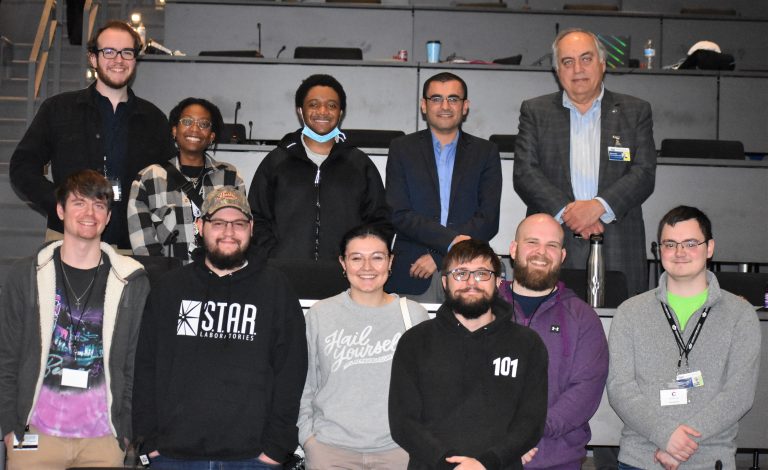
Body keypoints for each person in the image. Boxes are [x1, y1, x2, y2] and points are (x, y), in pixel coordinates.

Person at [132, 186, 308, 469]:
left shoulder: (276, 289)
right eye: (218, 223)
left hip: (253, 458)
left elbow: (292, 372)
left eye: (238, 223)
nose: (229, 231)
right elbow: (145, 366)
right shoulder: (170, 288)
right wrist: (148, 441)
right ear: (200, 226)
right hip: (173, 455)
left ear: (251, 228)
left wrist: (277, 447)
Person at [0, 169, 150, 469]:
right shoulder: (26, 275)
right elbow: (7, 357)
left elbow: (134, 363)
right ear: (60, 210)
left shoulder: (132, 281)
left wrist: (125, 431)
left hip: (104, 440)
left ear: (108, 217)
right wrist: (8, 426)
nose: (89, 213)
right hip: (36, 435)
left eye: (99, 205)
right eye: (79, 202)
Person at [607, 206, 760, 469]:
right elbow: (620, 389)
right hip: (640, 460)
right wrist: (665, 435)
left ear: (709, 248)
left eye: (690, 243)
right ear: (659, 250)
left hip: (711, 461)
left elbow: (738, 394)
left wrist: (681, 443)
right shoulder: (630, 312)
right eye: (670, 244)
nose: (679, 252)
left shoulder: (741, 315)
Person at [513, 28, 656, 297]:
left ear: (602, 64)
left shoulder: (636, 111)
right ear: (557, 71)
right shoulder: (535, 111)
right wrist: (572, 213)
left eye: (586, 59)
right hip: (553, 242)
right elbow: (525, 173)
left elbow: (644, 172)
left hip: (619, 244)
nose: (578, 69)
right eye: (567, 61)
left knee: (621, 332)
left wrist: (597, 208)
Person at [10, 20, 172, 250]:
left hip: (134, 245)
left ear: (135, 60)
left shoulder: (154, 118)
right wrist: (60, 201)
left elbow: (169, 180)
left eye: (127, 52)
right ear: (93, 58)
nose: (118, 60)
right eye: (109, 51)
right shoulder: (58, 109)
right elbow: (22, 166)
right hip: (68, 242)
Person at [389, 239, 548, 470]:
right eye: (460, 273)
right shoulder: (415, 342)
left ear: (498, 281)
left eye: (482, 273)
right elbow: (403, 422)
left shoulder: (527, 344)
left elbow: (531, 422)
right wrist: (450, 464)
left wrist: (487, 463)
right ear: (444, 282)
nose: (471, 282)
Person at [298, 224, 429, 470]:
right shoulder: (320, 314)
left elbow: (429, 389)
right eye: (356, 258)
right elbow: (305, 384)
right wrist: (309, 440)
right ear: (343, 263)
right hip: (330, 452)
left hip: (397, 453)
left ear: (390, 262)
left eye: (377, 258)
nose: (367, 267)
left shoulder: (413, 315)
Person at [498, 213, 608, 469]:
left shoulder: (583, 318)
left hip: (557, 461)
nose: (541, 252)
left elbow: (584, 391)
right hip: (489, 457)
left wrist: (530, 432)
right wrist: (502, 437)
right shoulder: (485, 310)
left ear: (562, 255)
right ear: (513, 250)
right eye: (532, 242)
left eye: (552, 246)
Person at [386, 72, 502, 303]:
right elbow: (398, 213)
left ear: (465, 106)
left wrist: (440, 256)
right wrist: (448, 245)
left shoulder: (485, 152)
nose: (445, 106)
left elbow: (488, 220)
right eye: (436, 99)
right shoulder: (402, 149)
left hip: (470, 273)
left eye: (453, 99)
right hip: (413, 270)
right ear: (423, 105)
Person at [248, 74, 389, 261]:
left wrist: (359, 260)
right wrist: (274, 255)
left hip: (345, 275)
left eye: (332, 105)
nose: (322, 111)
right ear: (300, 111)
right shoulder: (276, 161)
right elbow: (256, 217)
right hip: (284, 273)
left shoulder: (359, 164)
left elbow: (379, 222)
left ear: (340, 113)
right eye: (313, 104)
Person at [128, 97, 245, 261]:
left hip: (219, 279)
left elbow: (239, 234)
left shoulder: (230, 178)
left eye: (203, 124)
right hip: (168, 280)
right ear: (174, 130)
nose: (195, 129)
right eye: (187, 121)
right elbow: (143, 247)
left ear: (211, 136)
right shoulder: (149, 179)